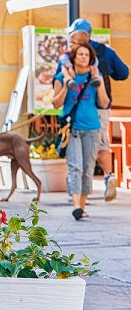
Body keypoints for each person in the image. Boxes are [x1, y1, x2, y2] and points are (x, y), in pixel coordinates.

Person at [65, 19, 129, 201]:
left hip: (79, 106)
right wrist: (108, 71)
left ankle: (80, 191)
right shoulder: (106, 52)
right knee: (100, 142)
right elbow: (123, 73)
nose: (70, 37)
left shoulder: (73, 54)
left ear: (84, 35)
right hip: (101, 106)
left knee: (81, 146)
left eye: (73, 34)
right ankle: (107, 176)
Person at [53, 43, 110, 220]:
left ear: (91, 59)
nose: (84, 57)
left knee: (87, 169)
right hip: (72, 129)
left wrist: (99, 83)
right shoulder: (62, 76)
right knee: (75, 167)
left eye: (87, 55)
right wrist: (65, 84)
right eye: (80, 54)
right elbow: (55, 103)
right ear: (74, 58)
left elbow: (104, 102)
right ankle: (76, 204)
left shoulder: (95, 77)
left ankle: (82, 206)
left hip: (92, 128)